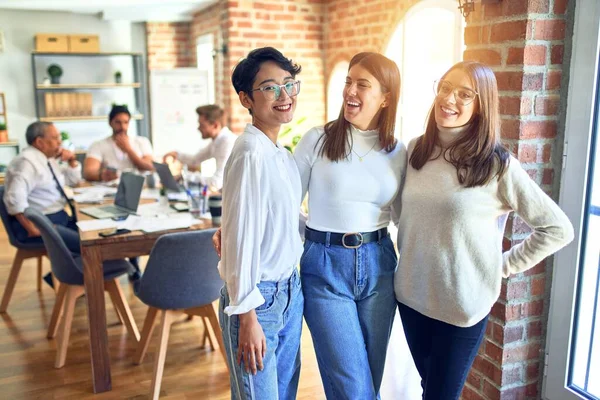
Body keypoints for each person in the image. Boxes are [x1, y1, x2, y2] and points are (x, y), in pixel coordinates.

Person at [394, 61, 574, 400]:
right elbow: (404, 213)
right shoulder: (417, 149)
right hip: (411, 297)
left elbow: (556, 228)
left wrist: (502, 266)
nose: (449, 99)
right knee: (428, 387)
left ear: (482, 106)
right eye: (445, 88)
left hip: (462, 308)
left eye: (465, 94)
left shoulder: (497, 165)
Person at [293, 52, 406, 399]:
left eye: (362, 84)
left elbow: (405, 216)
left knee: (368, 381)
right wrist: (310, 240)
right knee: (353, 388)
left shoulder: (398, 152)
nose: (350, 91)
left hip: (380, 266)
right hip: (325, 266)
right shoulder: (318, 139)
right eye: (348, 81)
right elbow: (282, 204)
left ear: (385, 97)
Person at [218, 47, 304, 400]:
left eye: (289, 84)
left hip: (290, 292)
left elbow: (281, 221)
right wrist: (247, 317)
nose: (283, 96)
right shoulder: (250, 152)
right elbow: (238, 240)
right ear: (246, 99)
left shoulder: (281, 156)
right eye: (270, 88)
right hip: (258, 300)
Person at [3, 122, 81, 285]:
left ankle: (69, 278)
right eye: (55, 138)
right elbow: (14, 198)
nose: (60, 143)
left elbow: (73, 181)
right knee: (91, 243)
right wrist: (32, 229)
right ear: (39, 142)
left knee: (96, 232)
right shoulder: (27, 162)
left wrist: (72, 160)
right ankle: (73, 279)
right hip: (42, 224)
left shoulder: (47, 159)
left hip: (58, 218)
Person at [163, 104, 236, 190]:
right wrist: (175, 154)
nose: (198, 128)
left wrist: (185, 176)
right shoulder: (217, 141)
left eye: (202, 125)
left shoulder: (227, 143)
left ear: (215, 125)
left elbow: (216, 182)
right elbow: (195, 160)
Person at [83, 105, 154, 182]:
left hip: (138, 187)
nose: (122, 127)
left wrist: (128, 150)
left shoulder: (142, 142)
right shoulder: (98, 145)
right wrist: (102, 175)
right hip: (108, 190)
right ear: (110, 123)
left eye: (126, 122)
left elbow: (150, 167)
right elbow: (88, 173)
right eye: (118, 122)